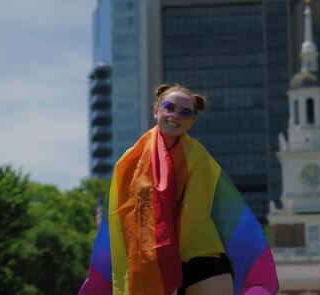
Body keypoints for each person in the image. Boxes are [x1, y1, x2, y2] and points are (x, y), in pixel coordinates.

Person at [79, 84, 278, 295]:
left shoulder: (202, 159)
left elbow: (229, 211)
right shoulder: (129, 162)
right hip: (153, 262)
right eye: (169, 107)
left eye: (185, 112)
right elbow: (118, 220)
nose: (175, 115)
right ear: (156, 110)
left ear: (191, 121)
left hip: (203, 257)